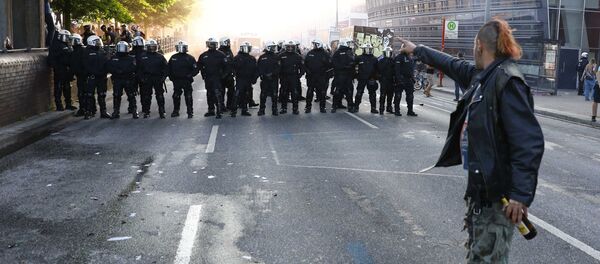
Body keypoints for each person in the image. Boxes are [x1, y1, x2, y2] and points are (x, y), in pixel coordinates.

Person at [398, 18, 544, 262]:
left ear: (479, 46)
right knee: (480, 255)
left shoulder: (507, 82)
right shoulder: (483, 77)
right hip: (482, 191)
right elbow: (451, 64)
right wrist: (417, 50)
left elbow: (528, 142)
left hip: (499, 196)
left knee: (487, 259)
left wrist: (520, 195)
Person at [106, 41, 138, 119]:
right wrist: (116, 71)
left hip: (128, 79)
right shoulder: (114, 58)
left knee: (131, 95)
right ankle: (116, 111)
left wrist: (124, 71)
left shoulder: (131, 58)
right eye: (120, 47)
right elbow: (109, 66)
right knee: (116, 96)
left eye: (124, 48)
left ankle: (134, 110)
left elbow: (134, 68)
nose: (122, 50)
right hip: (117, 79)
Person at [168, 41, 199, 118]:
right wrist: (171, 77)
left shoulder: (190, 58)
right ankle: (176, 111)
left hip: (186, 80)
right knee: (176, 96)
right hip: (177, 80)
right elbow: (168, 68)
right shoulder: (173, 57)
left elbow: (195, 69)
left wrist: (190, 75)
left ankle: (190, 111)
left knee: (188, 96)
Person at [198, 37, 227, 119]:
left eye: (213, 44)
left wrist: (223, 76)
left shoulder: (221, 55)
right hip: (208, 78)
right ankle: (211, 110)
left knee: (217, 94)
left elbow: (227, 66)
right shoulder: (203, 55)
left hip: (217, 77)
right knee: (209, 94)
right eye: (210, 44)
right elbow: (199, 66)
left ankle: (219, 111)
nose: (211, 46)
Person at [82, 35, 110, 119]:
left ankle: (103, 112)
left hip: (101, 77)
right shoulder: (86, 52)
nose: (98, 43)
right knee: (89, 95)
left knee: (102, 95)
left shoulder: (101, 51)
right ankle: (89, 111)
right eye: (96, 42)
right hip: (92, 77)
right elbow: (85, 65)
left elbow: (106, 63)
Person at [138, 39, 168, 119]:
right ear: (146, 47)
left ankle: (162, 111)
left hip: (157, 78)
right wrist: (141, 78)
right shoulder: (142, 56)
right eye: (150, 47)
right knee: (147, 96)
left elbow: (166, 68)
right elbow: (138, 69)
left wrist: (163, 77)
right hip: (147, 78)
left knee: (160, 95)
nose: (152, 48)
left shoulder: (160, 56)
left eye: (153, 47)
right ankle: (147, 111)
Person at [49, 29, 75, 111]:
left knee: (67, 87)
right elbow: (52, 58)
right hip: (59, 69)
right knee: (59, 87)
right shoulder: (56, 45)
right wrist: (56, 67)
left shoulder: (66, 45)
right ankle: (59, 104)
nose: (67, 39)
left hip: (66, 69)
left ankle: (68, 103)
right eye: (66, 37)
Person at [304, 39, 333, 113]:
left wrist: (327, 75)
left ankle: (322, 107)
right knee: (310, 92)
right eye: (313, 44)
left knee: (322, 92)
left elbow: (330, 65)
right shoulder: (310, 53)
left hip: (321, 76)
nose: (314, 45)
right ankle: (308, 107)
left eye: (315, 44)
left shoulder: (325, 54)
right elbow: (305, 64)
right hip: (311, 76)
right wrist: (307, 71)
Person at [231, 42, 258, 117]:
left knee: (246, 95)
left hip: (248, 79)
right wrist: (235, 74)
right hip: (240, 79)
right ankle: (233, 110)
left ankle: (244, 110)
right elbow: (232, 67)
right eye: (246, 48)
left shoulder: (252, 58)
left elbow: (256, 69)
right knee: (237, 94)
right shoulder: (237, 57)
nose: (247, 50)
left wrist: (254, 78)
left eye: (248, 48)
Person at [279, 40, 305, 115]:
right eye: (288, 47)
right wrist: (280, 76)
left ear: (294, 47)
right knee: (284, 93)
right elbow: (278, 67)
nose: (290, 48)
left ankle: (295, 109)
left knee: (294, 93)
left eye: (292, 47)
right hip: (284, 77)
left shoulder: (298, 56)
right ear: (286, 47)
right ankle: (283, 108)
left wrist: (299, 76)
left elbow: (302, 67)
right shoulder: (281, 56)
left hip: (294, 77)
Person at [331, 38, 356, 113]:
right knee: (339, 91)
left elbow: (353, 62)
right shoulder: (338, 52)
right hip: (341, 75)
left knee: (348, 91)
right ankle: (335, 105)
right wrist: (344, 67)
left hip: (347, 75)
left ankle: (349, 106)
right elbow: (334, 63)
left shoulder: (349, 51)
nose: (349, 44)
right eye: (348, 43)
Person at [257, 41, 281, 116]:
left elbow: (279, 67)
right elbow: (259, 68)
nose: (274, 49)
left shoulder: (277, 57)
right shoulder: (262, 57)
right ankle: (262, 109)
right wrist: (264, 74)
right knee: (263, 94)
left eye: (274, 47)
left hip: (274, 79)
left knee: (274, 94)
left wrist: (272, 74)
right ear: (268, 47)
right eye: (272, 47)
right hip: (265, 79)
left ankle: (274, 110)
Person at [354, 43, 379, 113]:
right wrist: (355, 74)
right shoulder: (359, 58)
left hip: (371, 78)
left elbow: (377, 69)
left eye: (370, 49)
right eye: (367, 49)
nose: (368, 50)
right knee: (359, 92)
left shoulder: (374, 59)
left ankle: (373, 108)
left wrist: (376, 77)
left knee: (373, 94)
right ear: (363, 49)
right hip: (362, 78)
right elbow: (353, 66)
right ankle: (356, 106)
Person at [392, 50, 417, 116]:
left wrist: (412, 78)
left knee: (410, 96)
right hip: (401, 79)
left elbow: (411, 69)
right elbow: (397, 69)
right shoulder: (399, 57)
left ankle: (410, 111)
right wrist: (399, 79)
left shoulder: (409, 57)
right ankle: (397, 110)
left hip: (409, 79)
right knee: (398, 95)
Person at [69, 34, 87, 117]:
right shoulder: (83, 50)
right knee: (85, 92)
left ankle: (84, 109)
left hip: (82, 74)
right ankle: (88, 108)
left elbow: (73, 65)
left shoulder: (76, 52)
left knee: (82, 92)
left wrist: (71, 74)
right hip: (83, 74)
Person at [218, 37, 236, 111]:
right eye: (227, 42)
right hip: (221, 75)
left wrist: (233, 72)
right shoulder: (219, 52)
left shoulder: (229, 51)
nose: (229, 43)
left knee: (231, 91)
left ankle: (230, 105)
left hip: (229, 75)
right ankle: (221, 106)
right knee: (221, 92)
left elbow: (232, 62)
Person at [130, 36, 145, 115]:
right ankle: (144, 107)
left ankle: (132, 108)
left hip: (134, 74)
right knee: (143, 91)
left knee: (132, 92)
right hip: (139, 74)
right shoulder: (144, 52)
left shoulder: (130, 53)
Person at [377, 46, 395, 114]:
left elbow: (395, 71)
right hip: (384, 80)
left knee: (390, 95)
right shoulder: (381, 61)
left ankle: (389, 107)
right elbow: (378, 70)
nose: (388, 53)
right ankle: (381, 108)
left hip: (390, 80)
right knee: (383, 95)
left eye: (389, 52)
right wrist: (380, 78)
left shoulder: (393, 61)